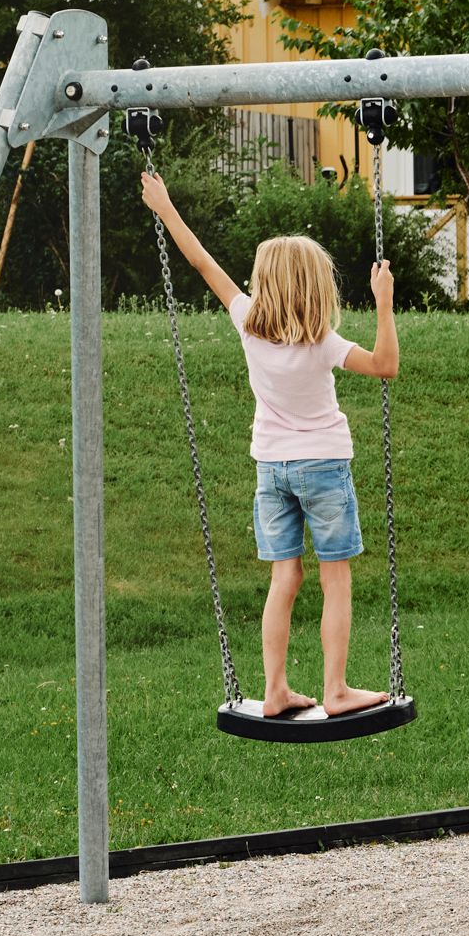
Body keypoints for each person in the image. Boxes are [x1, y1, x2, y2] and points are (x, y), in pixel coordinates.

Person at [141, 173, 400, 719]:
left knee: (285, 577)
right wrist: (383, 303)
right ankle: (335, 689)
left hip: (271, 469)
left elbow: (202, 262)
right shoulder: (323, 342)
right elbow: (385, 367)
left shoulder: (247, 324)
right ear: (315, 287)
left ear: (265, 282)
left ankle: (276, 688)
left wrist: (166, 208)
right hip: (325, 466)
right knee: (335, 576)